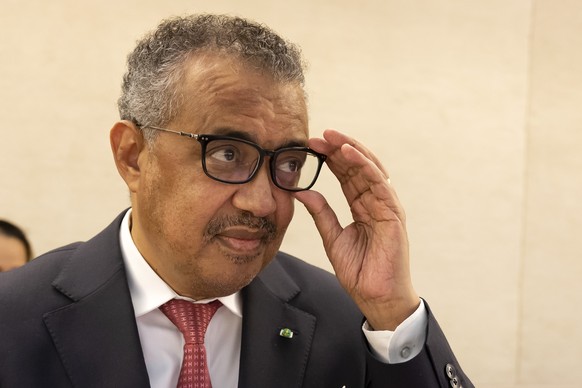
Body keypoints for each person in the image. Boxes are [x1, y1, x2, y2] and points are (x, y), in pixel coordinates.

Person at [0, 14, 473, 387]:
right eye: (227, 154)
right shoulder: (14, 318)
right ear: (133, 156)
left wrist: (392, 309)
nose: (263, 202)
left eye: (287, 162)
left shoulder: (350, 321)